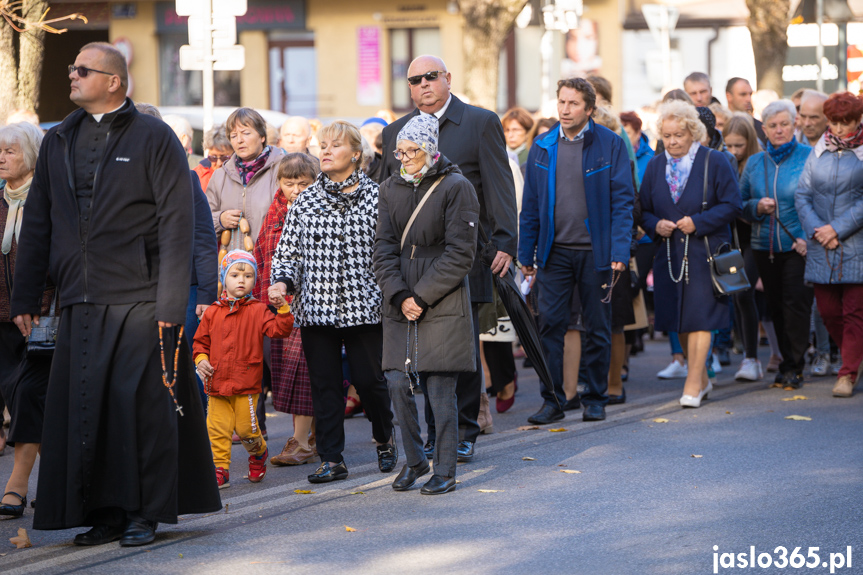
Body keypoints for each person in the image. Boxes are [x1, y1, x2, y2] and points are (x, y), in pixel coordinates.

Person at [10, 42, 221, 546]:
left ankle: (142, 512)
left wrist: (174, 301)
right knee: (87, 408)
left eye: (83, 70)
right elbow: (38, 219)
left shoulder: (154, 136)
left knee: (139, 408)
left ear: (114, 81)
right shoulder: (59, 137)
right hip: (80, 298)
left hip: (142, 298)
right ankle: (101, 512)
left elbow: (177, 222)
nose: (72, 75)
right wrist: (27, 293)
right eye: (71, 69)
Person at [378, 55, 517, 462]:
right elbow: (386, 195)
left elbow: (498, 185)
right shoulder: (395, 132)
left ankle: (463, 432)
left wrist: (507, 241)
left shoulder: (479, 122)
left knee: (460, 346)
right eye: (414, 79)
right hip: (412, 261)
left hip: (464, 254)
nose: (422, 84)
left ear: (447, 79)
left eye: (430, 77)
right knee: (420, 350)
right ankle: (432, 436)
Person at [269, 120, 396, 483]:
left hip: (365, 305)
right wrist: (281, 281)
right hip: (317, 308)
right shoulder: (306, 200)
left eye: (334, 145)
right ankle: (332, 457)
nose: (324, 151)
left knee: (370, 381)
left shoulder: (378, 197)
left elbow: (389, 251)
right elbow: (288, 252)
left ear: (356, 154)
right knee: (323, 384)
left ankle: (385, 438)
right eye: (321, 144)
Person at [374, 114, 479, 495]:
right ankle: (416, 460)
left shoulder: (457, 187)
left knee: (439, 387)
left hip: (442, 295)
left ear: (430, 149)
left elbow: (460, 254)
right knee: (396, 380)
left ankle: (446, 469)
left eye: (412, 150)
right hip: (400, 294)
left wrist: (422, 296)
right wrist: (400, 295)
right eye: (400, 151)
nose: (404, 158)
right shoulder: (389, 187)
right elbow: (382, 248)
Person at [519, 77, 634, 424]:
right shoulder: (542, 145)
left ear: (589, 108)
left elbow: (623, 201)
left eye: (572, 104)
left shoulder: (611, 144)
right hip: (554, 253)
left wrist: (619, 249)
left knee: (597, 326)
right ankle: (552, 400)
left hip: (597, 253)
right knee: (550, 326)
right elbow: (532, 206)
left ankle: (595, 397)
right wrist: (526, 254)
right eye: (561, 102)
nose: (565, 109)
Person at [639, 99, 741, 408]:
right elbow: (642, 210)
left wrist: (698, 222)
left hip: (705, 253)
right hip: (669, 255)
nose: (671, 142)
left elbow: (732, 204)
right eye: (667, 136)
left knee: (701, 319)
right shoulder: (656, 165)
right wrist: (656, 225)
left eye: (678, 135)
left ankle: (694, 381)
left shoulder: (715, 161)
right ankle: (702, 379)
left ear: (693, 132)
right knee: (679, 321)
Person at [136, 102, 218, 407]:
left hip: (186, 289)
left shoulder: (185, 176)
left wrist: (207, 294)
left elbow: (203, 238)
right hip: (139, 289)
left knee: (185, 364)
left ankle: (196, 438)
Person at [194, 250, 294, 488]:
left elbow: (280, 330)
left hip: (245, 384)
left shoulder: (258, 310)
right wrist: (200, 359)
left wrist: (282, 309)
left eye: (248, 275)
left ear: (254, 281)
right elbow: (200, 342)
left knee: (247, 430)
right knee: (216, 430)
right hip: (216, 383)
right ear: (223, 279)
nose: (241, 280)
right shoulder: (212, 312)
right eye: (235, 274)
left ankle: (258, 453)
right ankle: (220, 469)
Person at [253, 153, 320, 466]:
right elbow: (262, 254)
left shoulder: (317, 210)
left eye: (302, 183)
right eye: (288, 182)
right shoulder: (274, 212)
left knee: (303, 372)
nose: (295, 189)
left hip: (308, 306)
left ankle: (302, 440)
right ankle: (306, 436)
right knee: (286, 372)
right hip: (277, 307)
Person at [740, 100, 812, 390]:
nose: (779, 130)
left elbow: (820, 201)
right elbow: (739, 203)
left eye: (784, 124)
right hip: (763, 245)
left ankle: (795, 365)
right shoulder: (756, 162)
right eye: (772, 125)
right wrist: (757, 206)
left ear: (794, 124)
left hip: (799, 245)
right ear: (765, 129)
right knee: (776, 306)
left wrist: (809, 236)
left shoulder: (809, 156)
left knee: (796, 304)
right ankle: (784, 360)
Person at [0, 122, 52, 519]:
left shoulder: (48, 201)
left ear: (31, 156)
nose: (1, 158)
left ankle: (17, 487)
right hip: (0, 322)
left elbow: (56, 262)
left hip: (39, 322)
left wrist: (41, 306)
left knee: (28, 399)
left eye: (10, 151)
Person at [796, 91, 863, 398]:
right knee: (827, 312)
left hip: (856, 244)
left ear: (857, 120)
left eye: (845, 122)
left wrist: (837, 228)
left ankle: (847, 372)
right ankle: (855, 355)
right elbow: (803, 195)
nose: (838, 129)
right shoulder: (819, 149)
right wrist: (818, 230)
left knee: (854, 311)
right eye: (834, 122)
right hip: (821, 245)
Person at [722, 113, 771, 381]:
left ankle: (752, 358)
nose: (733, 151)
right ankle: (746, 354)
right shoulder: (721, 161)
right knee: (735, 296)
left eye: (738, 145)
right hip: (729, 241)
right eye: (728, 145)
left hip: (753, 238)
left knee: (744, 294)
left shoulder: (757, 163)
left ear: (749, 142)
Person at [207, 108, 286, 245]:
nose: (239, 140)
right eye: (233, 136)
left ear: (262, 136)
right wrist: (220, 220)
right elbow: (201, 221)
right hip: (231, 263)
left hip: (270, 261)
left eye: (246, 133)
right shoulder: (220, 176)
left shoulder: (282, 169)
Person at [726, 77, 766, 144]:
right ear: (729, 96)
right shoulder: (719, 124)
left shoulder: (759, 127)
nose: (748, 99)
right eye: (743, 94)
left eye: (750, 94)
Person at [193, 124, 232, 193]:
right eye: (213, 158)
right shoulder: (197, 175)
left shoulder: (243, 175)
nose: (219, 163)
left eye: (224, 158)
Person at [621, 111, 654, 185]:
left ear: (638, 134)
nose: (623, 137)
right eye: (621, 133)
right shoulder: (615, 156)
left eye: (627, 133)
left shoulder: (651, 158)